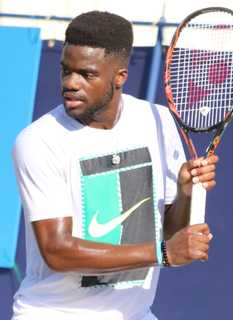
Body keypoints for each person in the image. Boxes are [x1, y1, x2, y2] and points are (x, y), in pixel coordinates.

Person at [12, 10, 218, 320]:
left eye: (87, 74)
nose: (71, 83)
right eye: (65, 70)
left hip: (135, 314)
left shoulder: (157, 121)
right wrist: (163, 253)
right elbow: (56, 250)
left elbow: (168, 231)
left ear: (120, 76)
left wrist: (185, 193)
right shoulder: (38, 140)